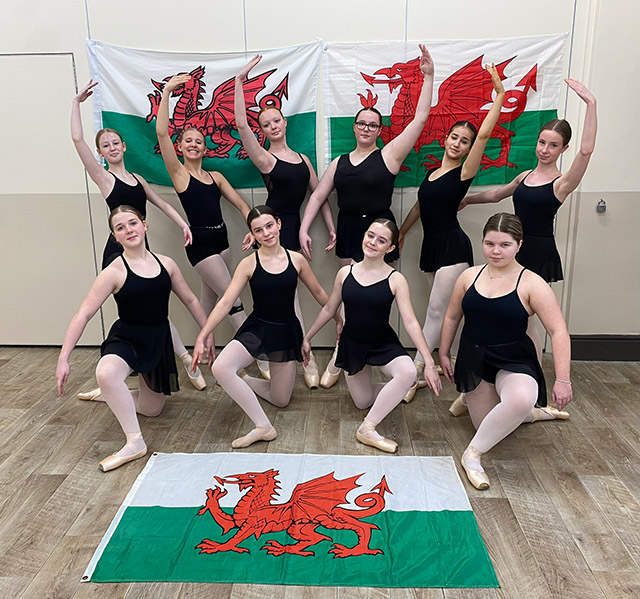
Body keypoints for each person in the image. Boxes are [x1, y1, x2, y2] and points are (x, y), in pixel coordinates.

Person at [298, 44, 435, 388]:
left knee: (374, 301)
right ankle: (341, 354)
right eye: (361, 123)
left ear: (379, 130)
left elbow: (420, 120)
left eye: (372, 125)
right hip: (348, 230)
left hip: (380, 232)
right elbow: (317, 195)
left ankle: (372, 356)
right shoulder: (339, 162)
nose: (366, 128)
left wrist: (428, 77)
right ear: (354, 126)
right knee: (347, 297)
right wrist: (303, 229)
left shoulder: (389, 155)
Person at [71, 80, 207, 393]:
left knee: (154, 313)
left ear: (124, 146)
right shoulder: (104, 178)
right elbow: (78, 140)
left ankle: (176, 363)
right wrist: (76, 104)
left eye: (116, 143)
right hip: (118, 254)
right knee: (139, 317)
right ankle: (173, 361)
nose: (112, 148)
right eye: (105, 146)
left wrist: (183, 225)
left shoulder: (138, 179)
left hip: (141, 251)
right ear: (101, 153)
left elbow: (160, 204)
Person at [56, 206, 214, 471]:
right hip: (127, 338)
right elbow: (83, 314)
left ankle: (109, 393)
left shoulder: (167, 264)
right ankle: (134, 442)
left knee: (152, 409)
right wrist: (64, 358)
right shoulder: (113, 272)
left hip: (157, 339)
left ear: (144, 226)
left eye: (132, 223)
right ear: (115, 237)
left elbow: (189, 299)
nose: (128, 230)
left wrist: (206, 334)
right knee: (106, 373)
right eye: (120, 227)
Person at [460, 79, 597, 352]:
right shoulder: (524, 176)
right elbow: (496, 195)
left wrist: (591, 104)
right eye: (542, 142)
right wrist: (465, 201)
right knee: (512, 316)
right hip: (513, 248)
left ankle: (530, 371)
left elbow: (586, 150)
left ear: (563, 149)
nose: (545, 150)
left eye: (554, 145)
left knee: (527, 319)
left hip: (538, 251)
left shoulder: (561, 184)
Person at [439, 213, 571, 490]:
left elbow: (558, 331)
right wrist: (443, 353)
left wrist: (563, 379)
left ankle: (472, 455)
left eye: (505, 245)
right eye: (489, 244)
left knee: (520, 400)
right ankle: (512, 408)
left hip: (513, 359)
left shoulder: (532, 283)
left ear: (519, 245)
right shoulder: (468, 276)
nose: (496, 251)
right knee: (488, 424)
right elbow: (452, 317)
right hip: (474, 358)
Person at [192, 206, 340, 449]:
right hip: (258, 328)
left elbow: (320, 293)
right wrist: (202, 335)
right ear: (252, 234)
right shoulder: (249, 264)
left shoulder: (297, 259)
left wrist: (337, 318)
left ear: (279, 224)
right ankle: (263, 426)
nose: (266, 233)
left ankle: (244, 379)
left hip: (285, 331)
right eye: (258, 230)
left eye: (269, 226)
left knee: (281, 399)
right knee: (220, 367)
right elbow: (227, 301)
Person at [398, 64, 505, 399]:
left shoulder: (463, 173)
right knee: (447, 312)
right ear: (445, 139)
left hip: (452, 249)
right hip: (431, 246)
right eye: (455, 137)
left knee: (434, 311)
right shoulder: (431, 172)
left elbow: (485, 136)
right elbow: (419, 207)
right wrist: (401, 233)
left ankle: (416, 372)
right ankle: (463, 371)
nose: (458, 143)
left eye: (465, 141)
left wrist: (499, 97)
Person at [156, 74, 270, 380]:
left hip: (222, 240)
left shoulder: (216, 176)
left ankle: (197, 362)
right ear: (180, 147)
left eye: (199, 142)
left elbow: (243, 206)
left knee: (208, 308)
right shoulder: (179, 174)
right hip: (200, 245)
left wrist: (252, 227)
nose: (194, 145)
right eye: (188, 141)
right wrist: (167, 92)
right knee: (232, 301)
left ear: (205, 149)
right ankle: (257, 355)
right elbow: (162, 134)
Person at [234, 55, 335, 388]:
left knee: (298, 294)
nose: (273, 126)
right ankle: (301, 357)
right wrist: (239, 80)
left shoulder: (303, 158)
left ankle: (298, 353)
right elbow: (241, 126)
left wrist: (330, 227)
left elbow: (318, 195)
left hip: (296, 227)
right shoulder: (265, 158)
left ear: (285, 122)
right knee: (286, 299)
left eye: (276, 120)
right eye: (267, 124)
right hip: (273, 228)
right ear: (263, 131)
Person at [302, 219, 442, 453]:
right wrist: (307, 338)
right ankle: (403, 387)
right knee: (362, 402)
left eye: (382, 240)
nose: (373, 243)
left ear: (390, 248)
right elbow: (329, 309)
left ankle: (367, 428)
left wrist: (428, 362)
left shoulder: (395, 279)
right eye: (370, 236)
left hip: (382, 342)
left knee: (407, 370)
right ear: (364, 236)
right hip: (353, 343)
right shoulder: (345, 273)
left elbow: (410, 322)